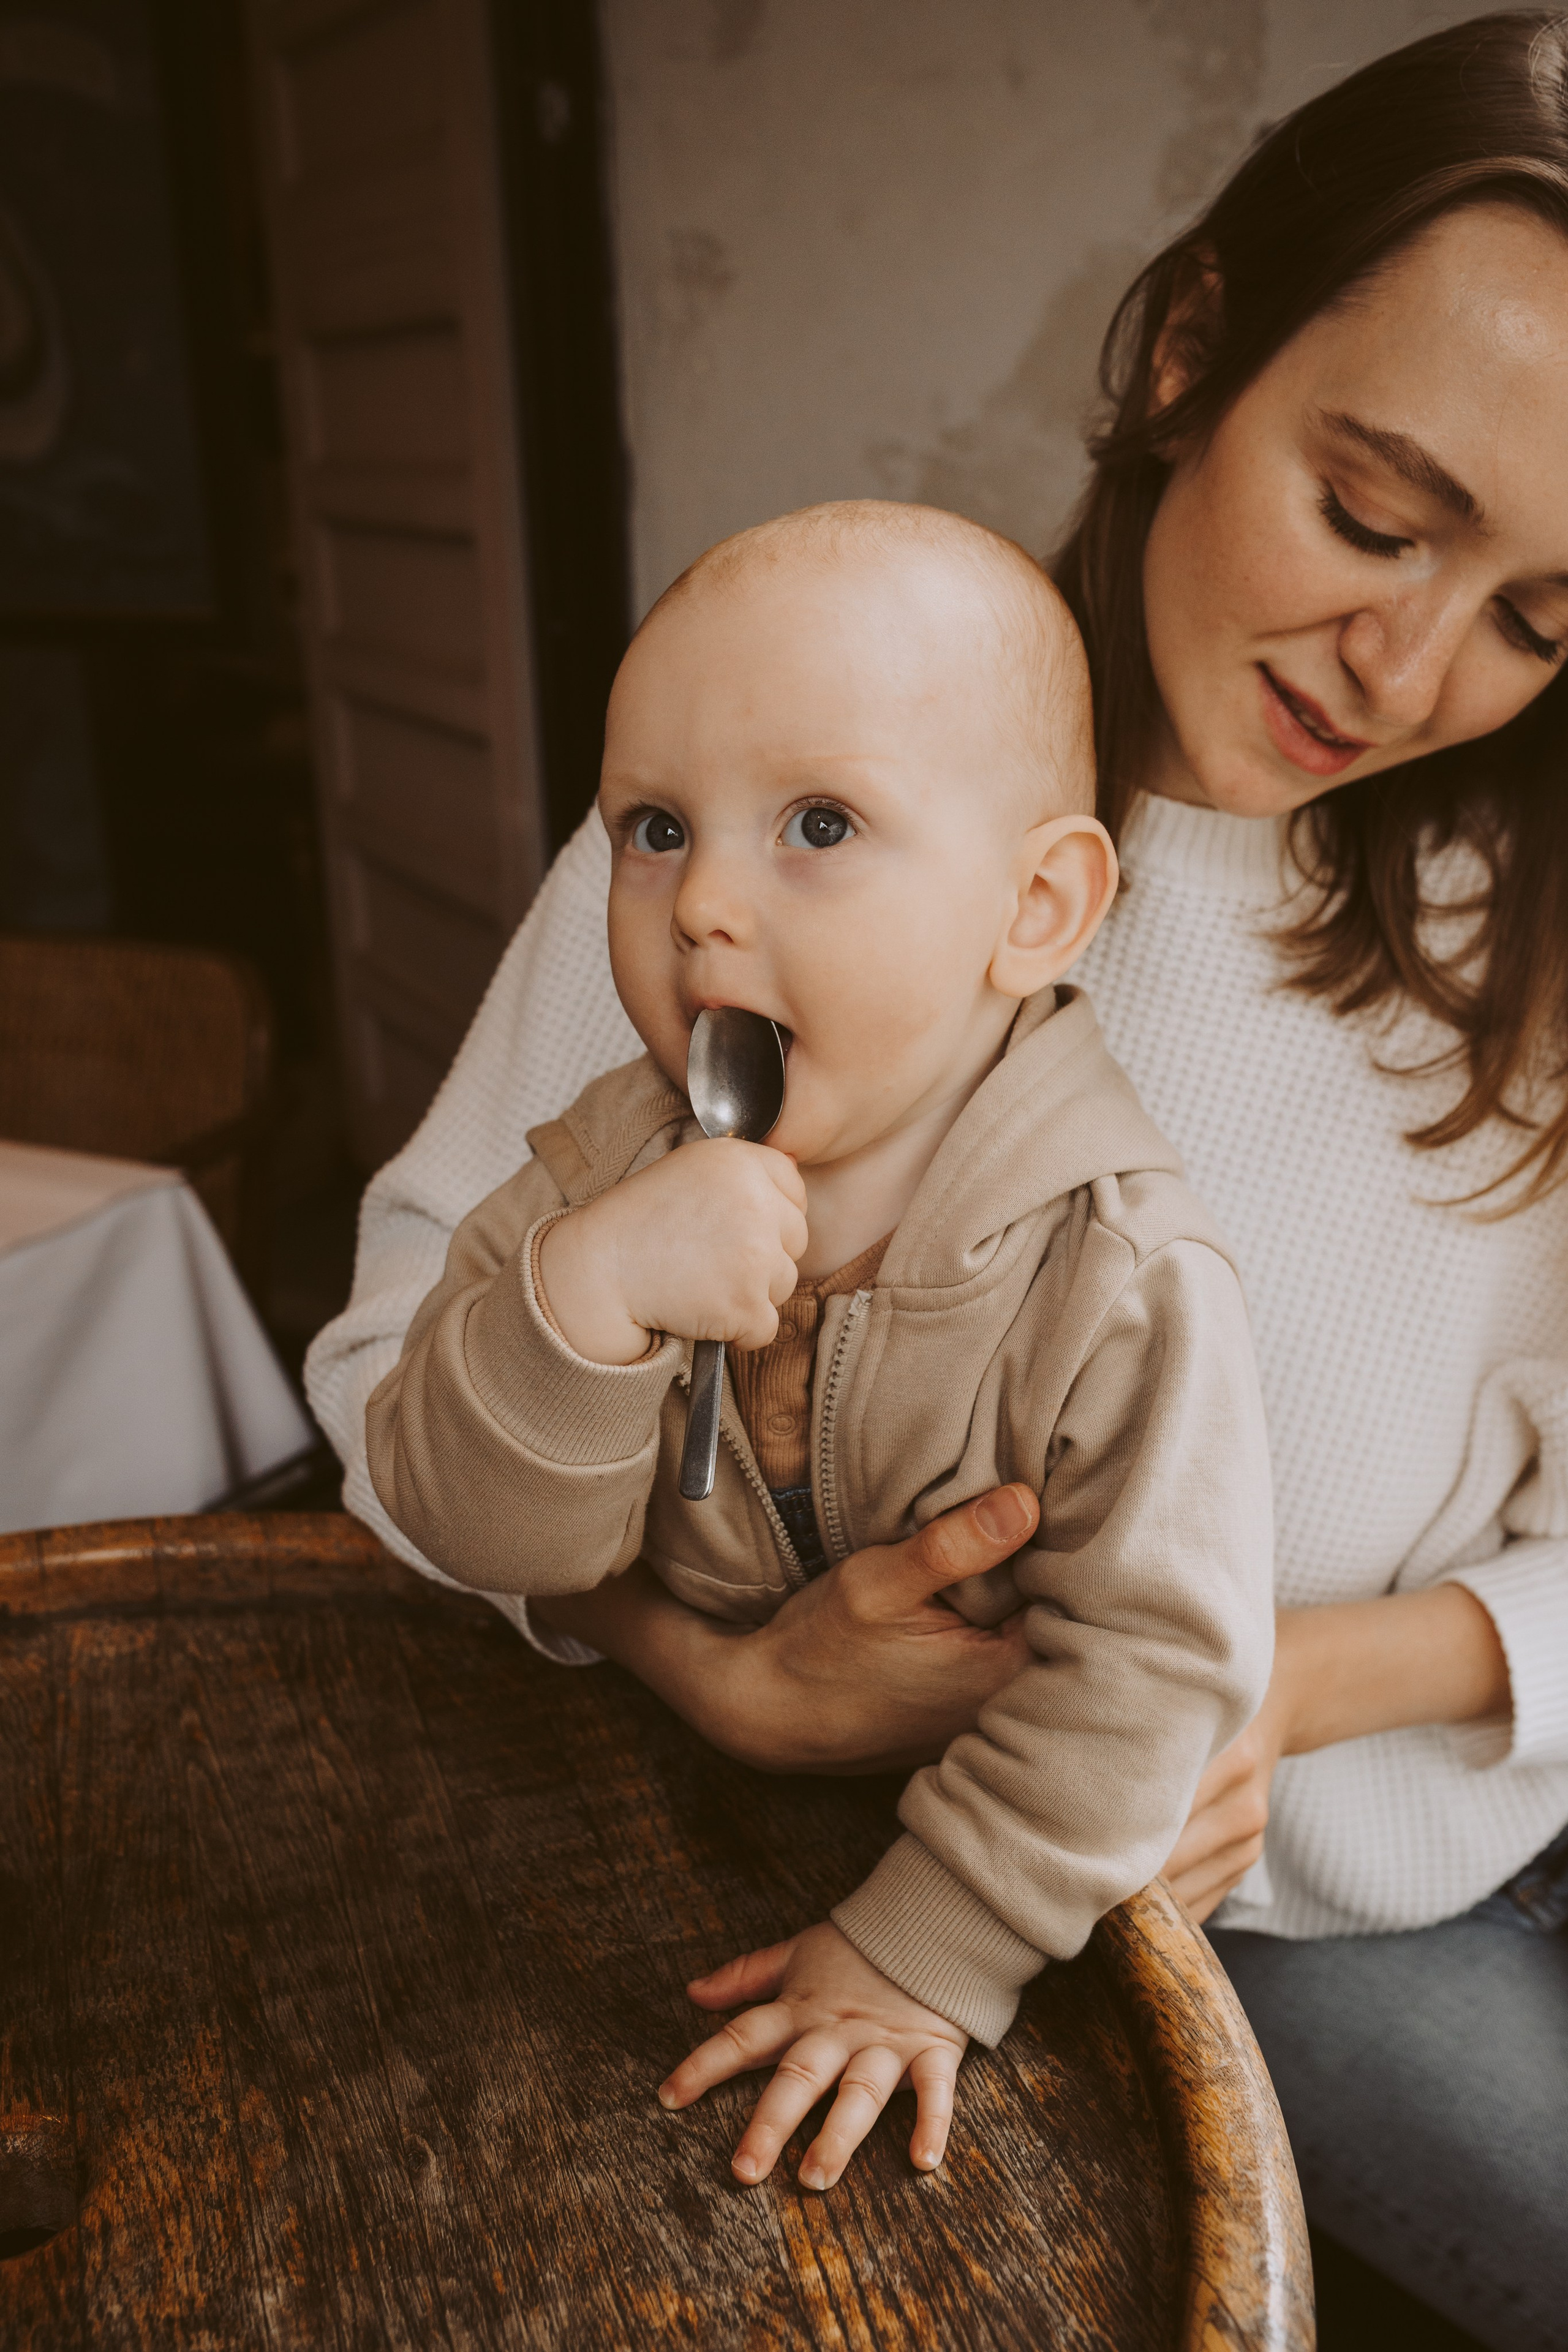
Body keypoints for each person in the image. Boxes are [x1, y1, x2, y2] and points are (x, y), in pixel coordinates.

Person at [307, 15, 1568, 2345]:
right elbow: (403, 1373)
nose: (1403, 666)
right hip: (1084, 1915)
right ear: (1194, 346)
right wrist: (719, 1676)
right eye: (1374, 519)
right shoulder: (780, 801)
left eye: (1536, 617)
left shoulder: (1534, 956)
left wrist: (1272, 1686)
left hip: (1419, 1844)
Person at [363, 500, 1275, 2193]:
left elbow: (1151, 1678)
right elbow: (461, 1522)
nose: (700, 898)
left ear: (1039, 906)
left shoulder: (1119, 1275)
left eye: (821, 823)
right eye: (652, 826)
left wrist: (933, 1948)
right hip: (624, 1825)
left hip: (973, 1922)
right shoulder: (601, 1171)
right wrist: (579, 1304)